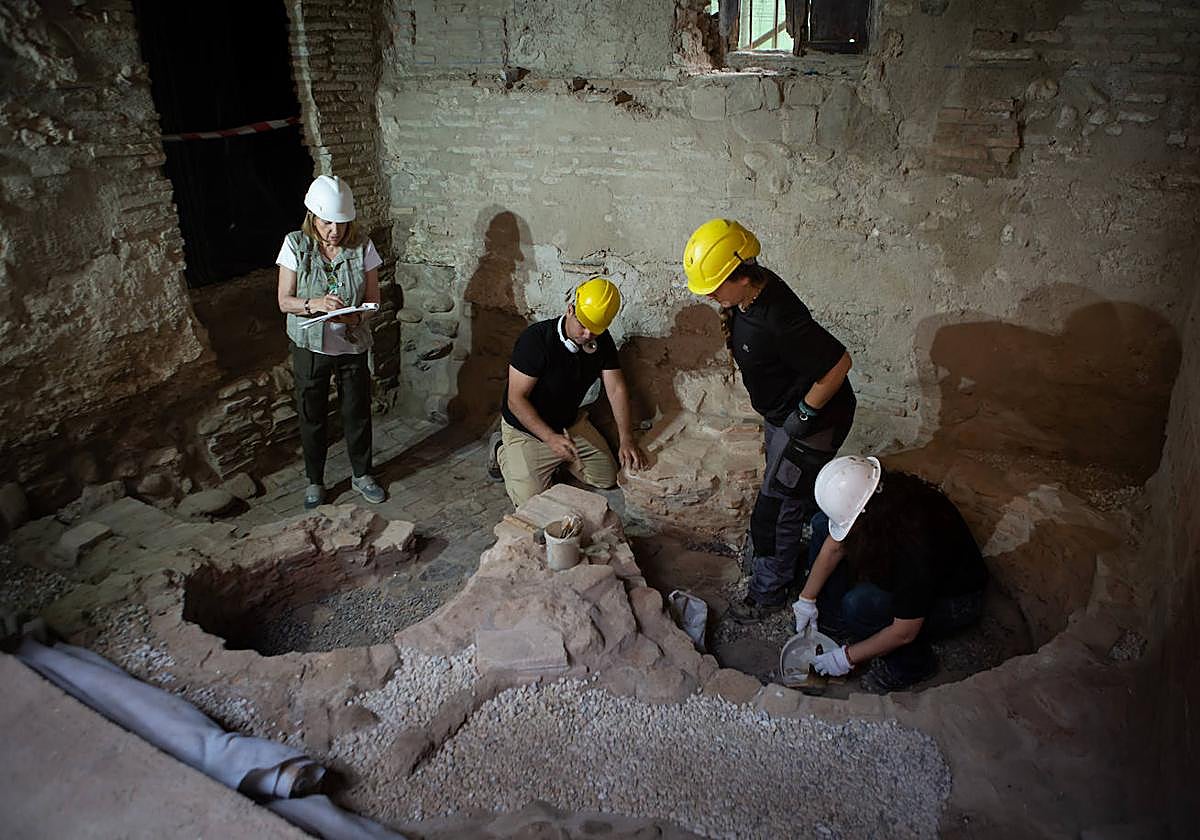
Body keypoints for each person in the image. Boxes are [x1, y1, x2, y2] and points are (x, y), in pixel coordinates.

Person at [683, 218, 855, 622]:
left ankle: (770, 592)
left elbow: (839, 364)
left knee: (776, 509)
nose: (708, 294)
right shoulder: (749, 295)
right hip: (783, 415)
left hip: (814, 422)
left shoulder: (779, 317)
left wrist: (804, 414)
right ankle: (783, 559)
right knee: (782, 498)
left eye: (715, 285)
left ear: (742, 277)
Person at [797, 456, 990, 692]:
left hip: (956, 602)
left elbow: (904, 632)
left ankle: (913, 666)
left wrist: (845, 658)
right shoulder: (882, 498)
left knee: (859, 605)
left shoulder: (913, 545)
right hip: (915, 572)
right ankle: (836, 624)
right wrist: (807, 600)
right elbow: (835, 545)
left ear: (865, 515)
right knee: (821, 524)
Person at [276, 175, 386, 509]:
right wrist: (315, 305)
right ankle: (315, 480)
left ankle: (362, 474)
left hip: (350, 344)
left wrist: (356, 317)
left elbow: (373, 299)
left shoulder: (362, 246)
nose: (334, 231)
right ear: (313, 217)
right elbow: (284, 301)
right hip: (310, 346)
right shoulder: (296, 245)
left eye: (340, 223)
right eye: (327, 223)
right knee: (312, 414)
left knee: (356, 412)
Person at [497, 277, 647, 508]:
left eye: (595, 330)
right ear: (570, 309)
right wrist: (549, 438)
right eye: (583, 324)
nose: (587, 335)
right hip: (526, 430)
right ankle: (502, 450)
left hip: (568, 423)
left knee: (607, 478)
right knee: (532, 503)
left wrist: (626, 437)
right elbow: (515, 400)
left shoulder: (601, 341)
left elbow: (616, 388)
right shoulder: (535, 340)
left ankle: (556, 459)